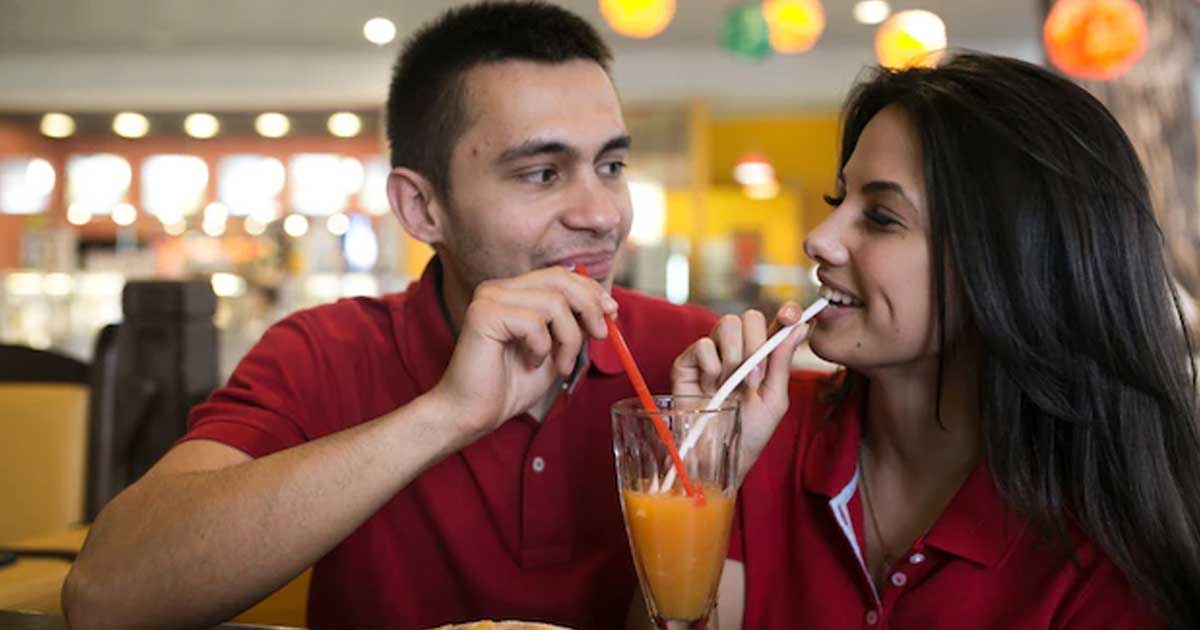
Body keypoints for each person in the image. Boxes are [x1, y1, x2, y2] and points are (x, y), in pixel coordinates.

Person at [62, 3, 717, 628]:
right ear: (421, 209)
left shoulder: (697, 358)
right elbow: (107, 597)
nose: (602, 214)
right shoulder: (322, 351)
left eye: (611, 165)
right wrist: (445, 414)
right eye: (543, 173)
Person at [674, 52, 1200, 629]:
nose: (818, 239)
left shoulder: (1108, 548)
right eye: (837, 201)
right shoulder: (762, 431)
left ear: (1009, 265)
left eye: (881, 217)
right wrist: (701, 474)